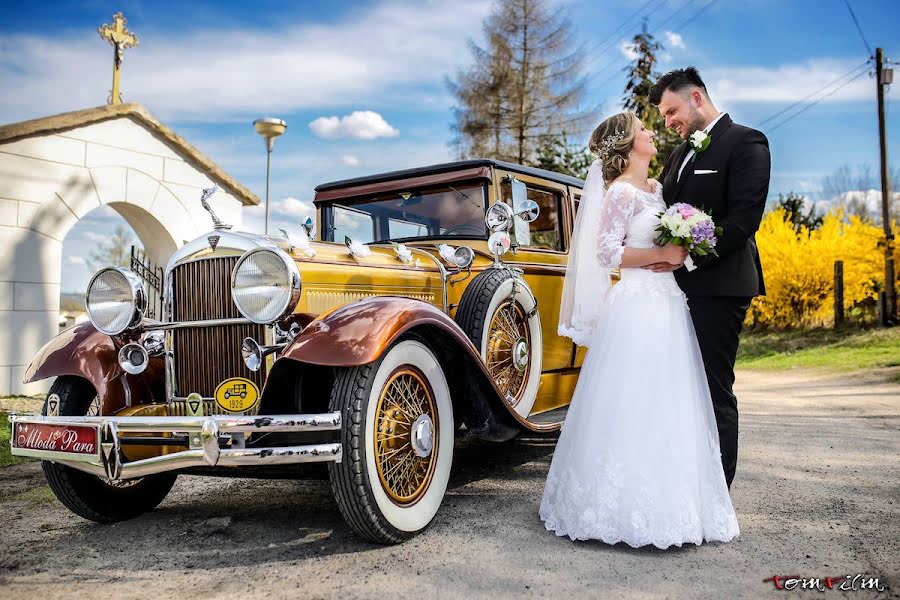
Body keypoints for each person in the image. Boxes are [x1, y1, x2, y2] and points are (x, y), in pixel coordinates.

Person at [539, 111, 739, 548]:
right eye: (644, 129)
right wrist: (660, 254)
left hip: (668, 303)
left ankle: (676, 505)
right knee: (631, 397)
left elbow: (666, 243)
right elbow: (605, 253)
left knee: (671, 399)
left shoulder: (658, 189)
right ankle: (617, 507)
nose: (652, 132)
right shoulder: (621, 193)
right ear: (629, 146)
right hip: (636, 304)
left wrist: (678, 251)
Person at [648, 67, 771, 489]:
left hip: (720, 287)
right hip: (672, 291)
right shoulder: (679, 154)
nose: (668, 122)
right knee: (678, 387)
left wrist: (688, 259)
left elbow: (743, 220)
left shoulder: (747, 142)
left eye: (671, 111)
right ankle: (685, 483)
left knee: (712, 387)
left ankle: (718, 493)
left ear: (696, 98)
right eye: (665, 117)